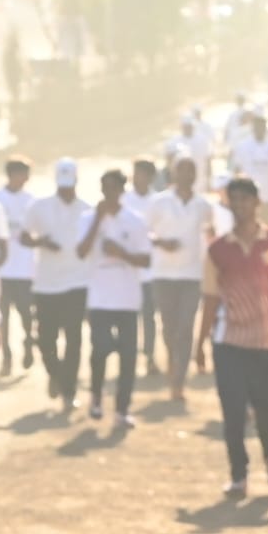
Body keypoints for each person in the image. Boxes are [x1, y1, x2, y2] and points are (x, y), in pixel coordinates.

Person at [195, 176, 268, 500]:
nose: (240, 205)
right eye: (235, 200)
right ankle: (238, 475)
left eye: (246, 199)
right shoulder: (218, 250)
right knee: (232, 411)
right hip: (228, 341)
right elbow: (211, 299)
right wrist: (200, 343)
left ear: (258, 203)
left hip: (266, 342)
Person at [76, 168, 150, 425]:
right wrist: (97, 220)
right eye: (104, 188)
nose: (109, 194)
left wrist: (121, 253)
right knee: (101, 349)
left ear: (121, 190)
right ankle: (96, 397)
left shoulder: (135, 220)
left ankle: (122, 409)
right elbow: (81, 251)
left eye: (113, 188)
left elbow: (146, 259)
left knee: (128, 356)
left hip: (128, 299)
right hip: (99, 298)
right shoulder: (87, 218)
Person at [22, 157, 92, 408]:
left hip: (77, 282)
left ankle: (69, 391)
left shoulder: (87, 209)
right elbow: (24, 236)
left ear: (76, 181)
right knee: (45, 339)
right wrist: (41, 242)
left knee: (74, 338)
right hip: (46, 284)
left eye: (69, 183)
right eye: (62, 184)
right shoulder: (38, 207)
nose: (66, 189)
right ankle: (57, 375)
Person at [147, 154, 213, 404]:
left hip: (191, 274)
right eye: (182, 170)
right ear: (173, 174)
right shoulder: (159, 202)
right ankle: (173, 361)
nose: (186, 175)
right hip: (164, 273)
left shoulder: (203, 205)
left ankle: (179, 380)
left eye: (191, 170)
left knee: (186, 327)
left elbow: (210, 233)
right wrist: (161, 242)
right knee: (169, 326)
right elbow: (144, 232)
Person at [0, 157, 37, 374]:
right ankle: (6, 357)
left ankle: (28, 343)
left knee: (27, 314)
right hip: (2, 270)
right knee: (3, 318)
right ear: (12, 174)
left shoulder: (32, 201)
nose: (25, 178)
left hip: (26, 269)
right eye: (22, 174)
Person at [126, 159, 159, 378]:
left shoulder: (158, 201)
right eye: (137, 173)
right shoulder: (123, 198)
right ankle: (129, 356)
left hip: (151, 268)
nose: (139, 177)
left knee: (148, 316)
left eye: (143, 174)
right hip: (127, 268)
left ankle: (149, 356)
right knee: (129, 316)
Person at [230, 113, 268, 219]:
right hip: (249, 194)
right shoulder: (242, 146)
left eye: (262, 126)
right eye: (257, 126)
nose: (259, 129)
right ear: (252, 127)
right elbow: (237, 170)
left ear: (265, 127)